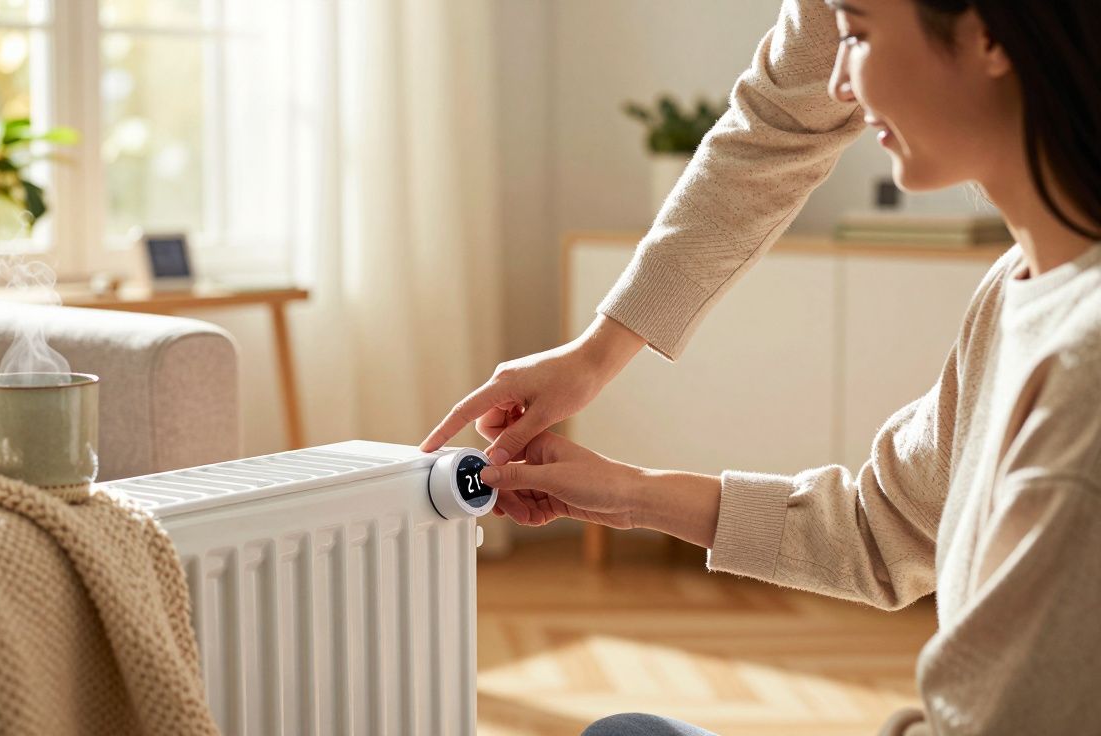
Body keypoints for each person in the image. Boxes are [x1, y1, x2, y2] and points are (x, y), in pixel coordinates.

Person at [420, 0, 1101, 733]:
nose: (838, 82)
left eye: (857, 34)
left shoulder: (1079, 381)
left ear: (988, 32)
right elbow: (885, 529)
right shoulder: (1015, 291)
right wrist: (629, 495)